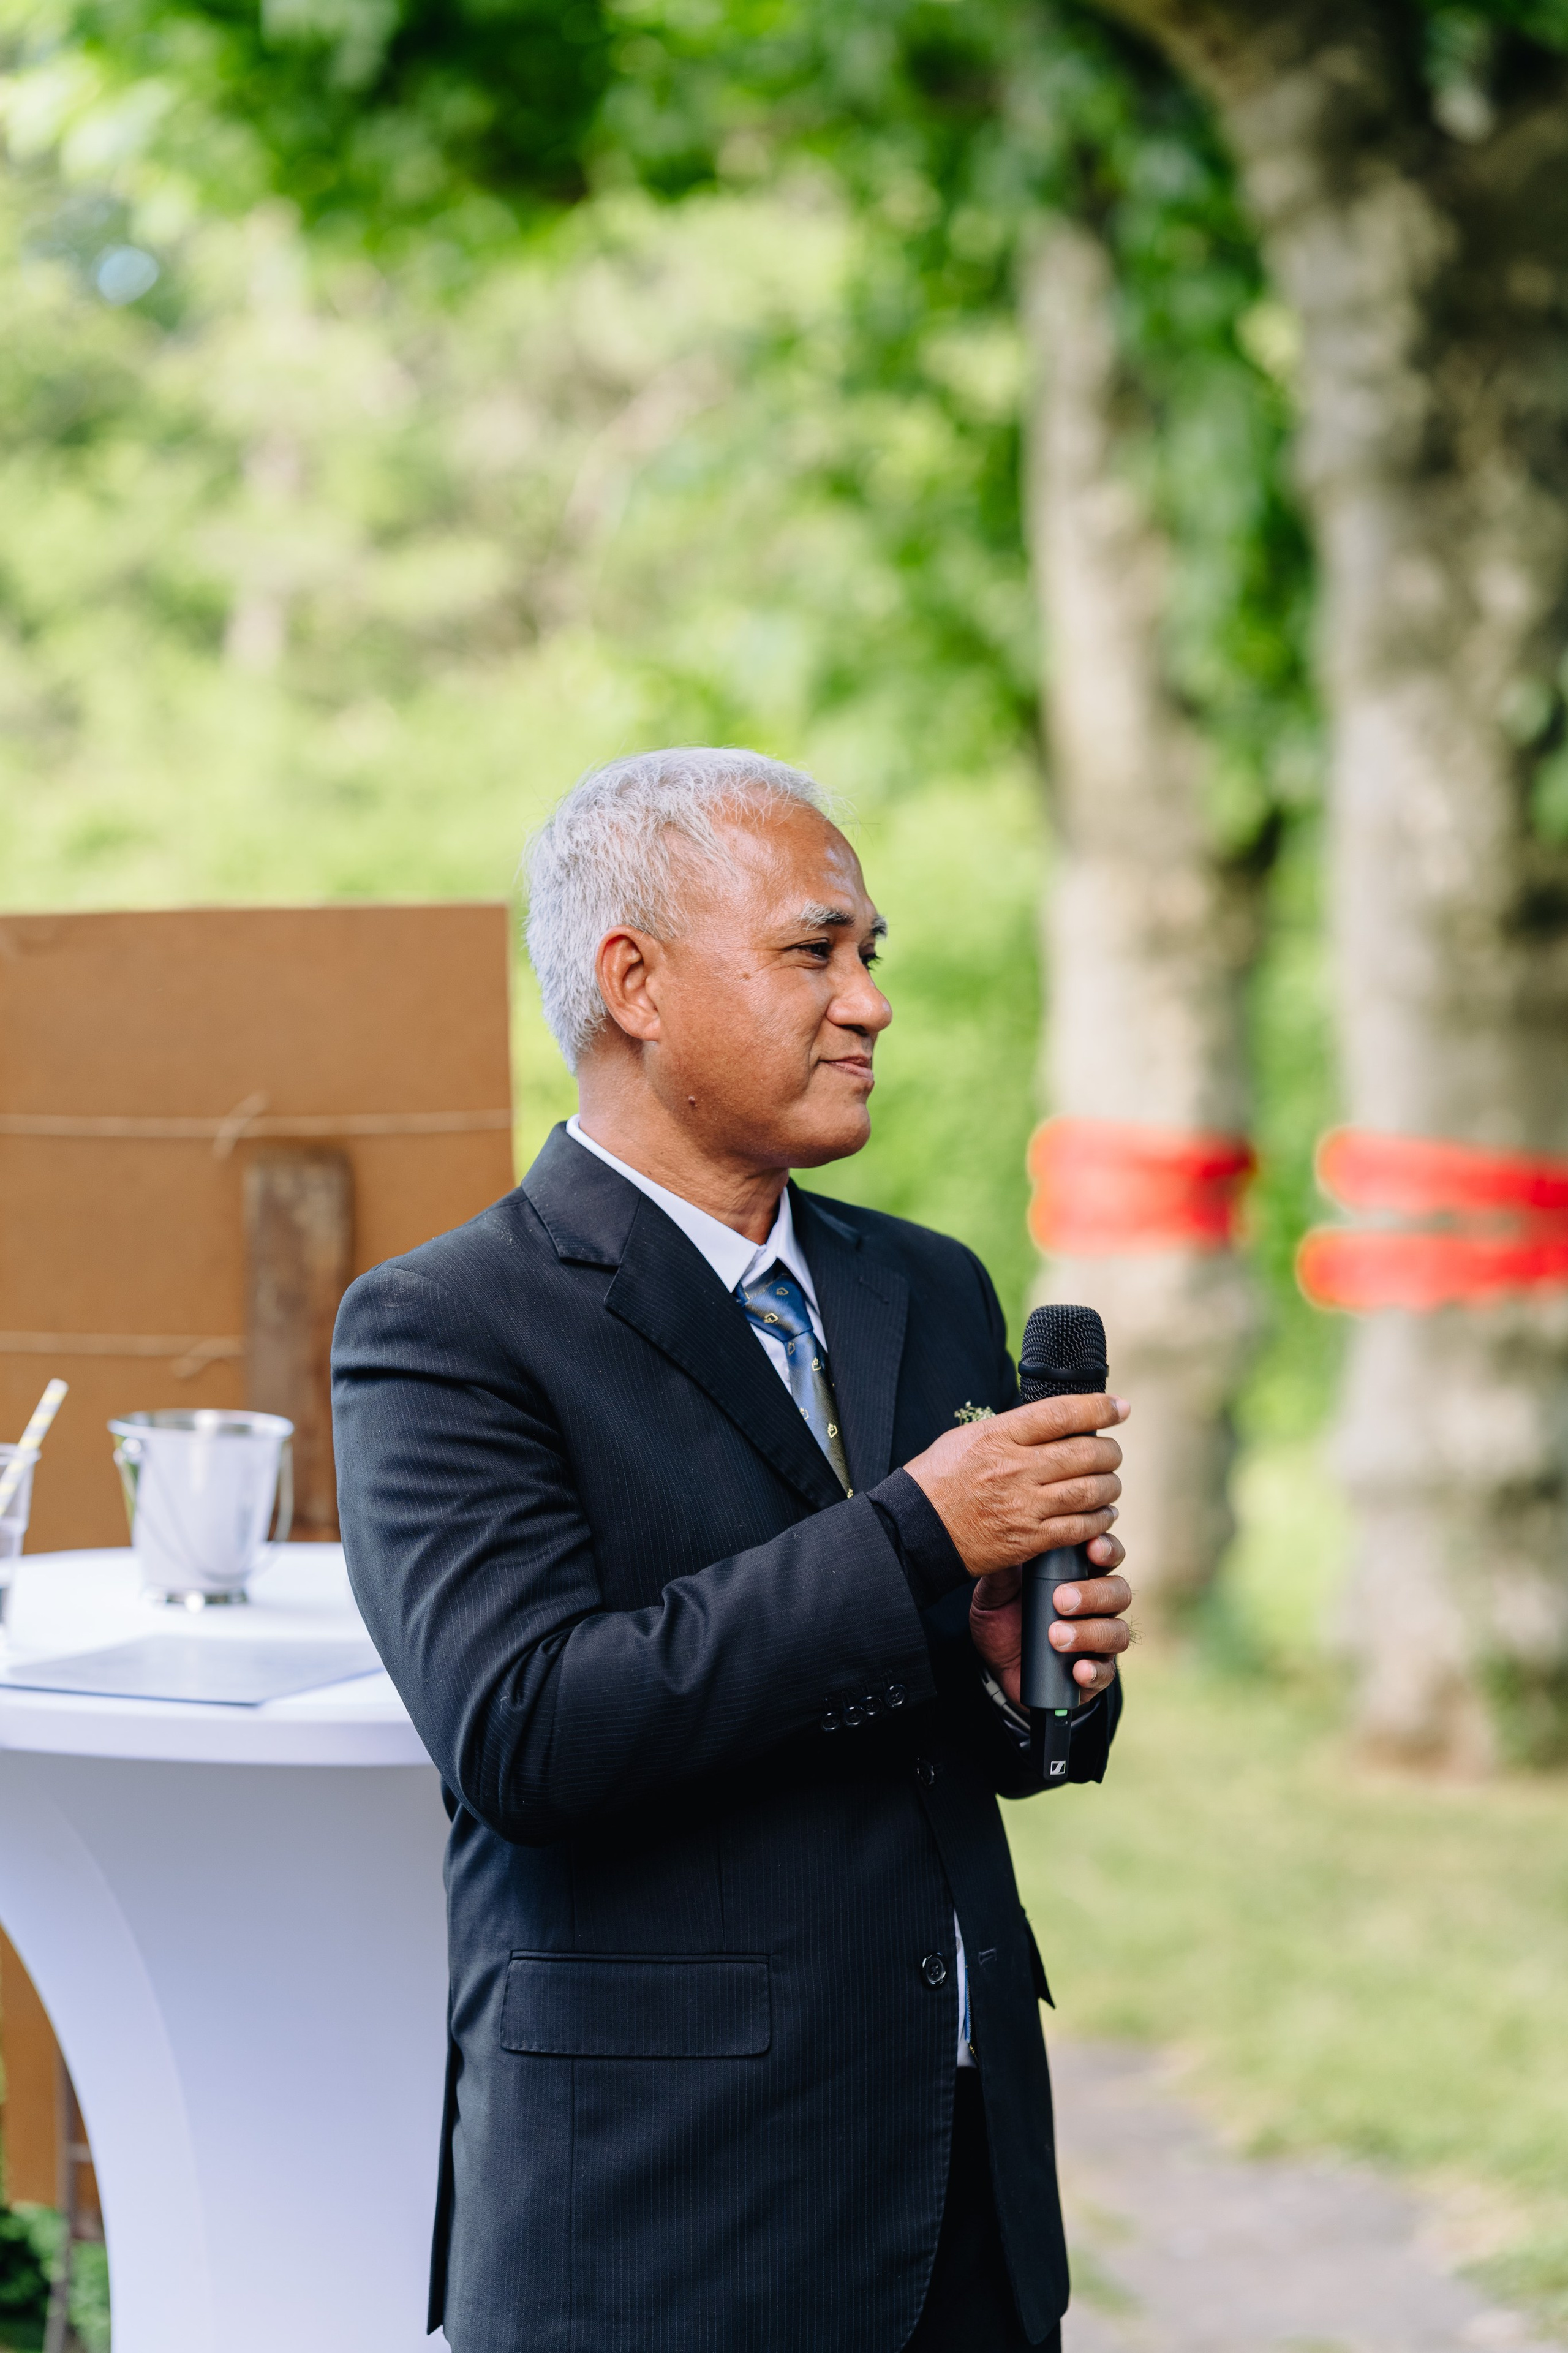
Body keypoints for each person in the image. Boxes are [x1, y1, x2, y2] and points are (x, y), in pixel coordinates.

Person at [332, 748, 1132, 2353]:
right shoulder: (443, 1327)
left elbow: (988, 1736)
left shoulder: (929, 1285)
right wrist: (917, 1533)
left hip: (964, 2184)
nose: (870, 1003)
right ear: (631, 980)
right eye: (814, 950)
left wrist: (1021, 1678)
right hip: (663, 2213)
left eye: (872, 954)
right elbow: (528, 1729)